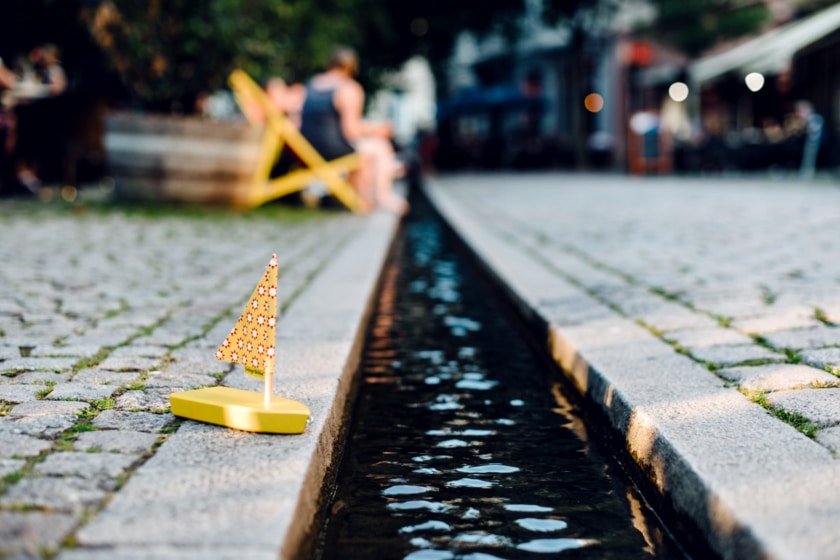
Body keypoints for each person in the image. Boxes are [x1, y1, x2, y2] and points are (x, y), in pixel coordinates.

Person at [299, 47, 408, 215]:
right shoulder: (348, 88)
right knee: (378, 146)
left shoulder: (311, 84)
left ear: (330, 63)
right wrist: (378, 130)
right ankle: (382, 196)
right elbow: (351, 131)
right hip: (332, 150)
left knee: (366, 149)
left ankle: (360, 197)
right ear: (352, 68)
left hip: (305, 149)